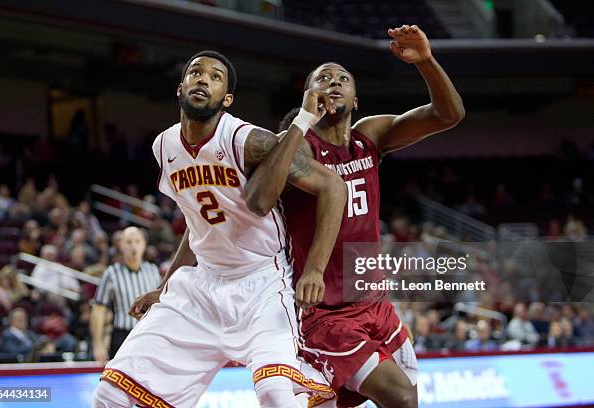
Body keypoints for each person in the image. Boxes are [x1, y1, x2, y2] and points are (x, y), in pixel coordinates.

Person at [94, 50, 346, 408]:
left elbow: (334, 187)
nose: (203, 80)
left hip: (262, 284)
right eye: (196, 73)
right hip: (200, 288)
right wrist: (164, 287)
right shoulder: (163, 146)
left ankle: (316, 392)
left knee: (276, 394)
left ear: (226, 100)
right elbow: (197, 225)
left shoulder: (247, 140)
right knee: (112, 394)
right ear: (181, 87)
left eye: (215, 78)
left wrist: (316, 269)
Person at [248, 25, 464, 407]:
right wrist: (302, 120)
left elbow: (448, 115)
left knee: (375, 399)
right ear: (307, 97)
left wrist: (427, 62)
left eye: (342, 78)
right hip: (325, 312)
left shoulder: (370, 137)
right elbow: (260, 196)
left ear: (356, 98)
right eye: (323, 79)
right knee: (401, 398)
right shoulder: (298, 148)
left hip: (375, 303)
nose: (333, 82)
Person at [91, 226, 160, 362]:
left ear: (144, 244)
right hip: (122, 336)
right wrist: (98, 344)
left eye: (137, 241)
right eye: (128, 242)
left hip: (148, 335)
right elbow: (99, 310)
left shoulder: (153, 271)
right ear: (121, 245)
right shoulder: (111, 273)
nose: (133, 246)